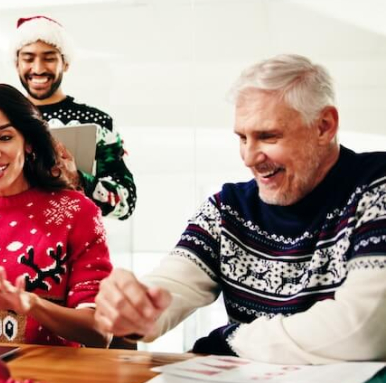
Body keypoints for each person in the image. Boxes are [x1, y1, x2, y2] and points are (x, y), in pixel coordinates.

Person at [93, 54, 386, 364]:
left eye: (268, 136)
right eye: (242, 137)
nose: (248, 157)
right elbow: (173, 286)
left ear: (324, 127)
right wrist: (136, 308)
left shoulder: (378, 187)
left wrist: (232, 339)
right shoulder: (227, 209)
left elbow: (365, 329)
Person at [0, 83, 112, 348]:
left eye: (5, 137)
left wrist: (32, 305)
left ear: (27, 142)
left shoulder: (78, 212)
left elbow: (100, 332)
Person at [11, 16, 137, 220]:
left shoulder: (95, 121)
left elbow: (126, 202)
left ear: (65, 63)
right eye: (28, 58)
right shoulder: (2, 118)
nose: (38, 68)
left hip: (75, 242)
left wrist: (79, 180)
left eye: (49, 58)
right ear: (17, 64)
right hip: (14, 241)